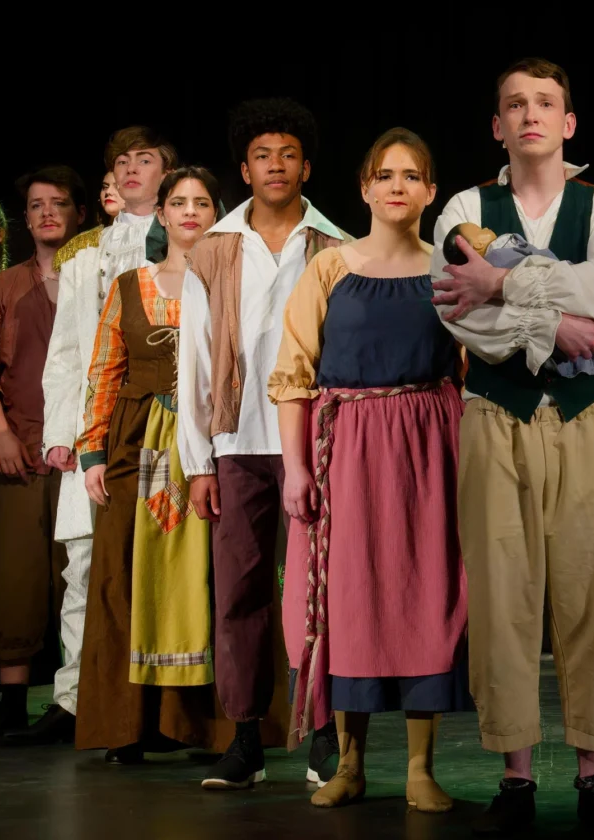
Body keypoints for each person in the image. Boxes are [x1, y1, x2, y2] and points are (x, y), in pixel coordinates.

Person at [429, 58, 594, 836]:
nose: (530, 114)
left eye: (545, 103)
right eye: (514, 104)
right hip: (497, 417)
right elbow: (459, 314)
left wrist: (507, 285)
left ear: (569, 122)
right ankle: (516, 775)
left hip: (589, 418)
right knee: (503, 596)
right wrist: (554, 324)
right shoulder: (463, 206)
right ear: (497, 125)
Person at [270, 128, 467, 812]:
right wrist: (296, 470)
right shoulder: (330, 267)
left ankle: (420, 767)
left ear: (430, 192)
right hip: (344, 449)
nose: (397, 186)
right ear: (363, 188)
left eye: (411, 176)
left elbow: (470, 366)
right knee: (348, 602)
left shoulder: (447, 270)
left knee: (423, 599)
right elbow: (292, 377)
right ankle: (349, 763)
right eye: (384, 174)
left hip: (427, 449)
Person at [179, 98, 349, 791]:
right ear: (243, 169)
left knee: (320, 592)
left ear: (306, 166)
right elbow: (191, 357)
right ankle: (245, 737)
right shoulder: (213, 249)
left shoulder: (335, 246)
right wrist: (198, 462)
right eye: (261, 156)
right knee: (239, 589)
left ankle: (326, 735)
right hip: (238, 439)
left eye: (287, 155)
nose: (274, 166)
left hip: (317, 440)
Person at [75, 166, 231, 763]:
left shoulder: (229, 283)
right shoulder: (129, 284)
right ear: (161, 214)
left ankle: (204, 727)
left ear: (217, 213)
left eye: (202, 202)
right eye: (178, 202)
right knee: (122, 576)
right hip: (133, 444)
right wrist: (91, 452)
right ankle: (126, 726)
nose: (190, 212)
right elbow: (104, 371)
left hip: (210, 443)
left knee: (206, 579)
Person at [43, 127, 178, 734]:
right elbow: (67, 349)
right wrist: (60, 433)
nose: (130, 170)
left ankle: (156, 707)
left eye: (144, 160)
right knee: (83, 563)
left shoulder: (191, 237)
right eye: (120, 161)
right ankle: (76, 699)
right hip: (94, 425)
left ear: (166, 170)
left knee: (159, 555)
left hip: (161, 421)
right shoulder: (83, 252)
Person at [0, 167, 88, 743]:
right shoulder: (2, 288)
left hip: (81, 453)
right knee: (16, 577)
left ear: (79, 214)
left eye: (58, 203)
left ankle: (79, 701)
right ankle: (12, 702)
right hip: (18, 448)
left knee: (79, 582)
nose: (46, 213)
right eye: (36, 205)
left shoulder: (97, 277)